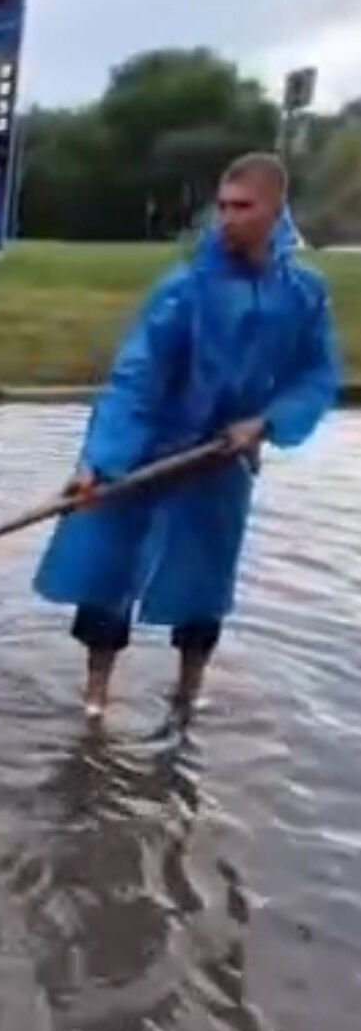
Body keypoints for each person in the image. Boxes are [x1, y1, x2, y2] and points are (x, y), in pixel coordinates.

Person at [34, 153, 341, 720]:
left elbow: (316, 375)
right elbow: (136, 379)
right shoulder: (186, 290)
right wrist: (99, 462)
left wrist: (265, 422)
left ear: (275, 210)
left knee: (204, 582)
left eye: (242, 207)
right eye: (222, 206)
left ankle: (188, 699)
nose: (227, 218)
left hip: (221, 459)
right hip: (147, 451)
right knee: (109, 572)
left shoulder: (303, 294)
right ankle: (95, 706)